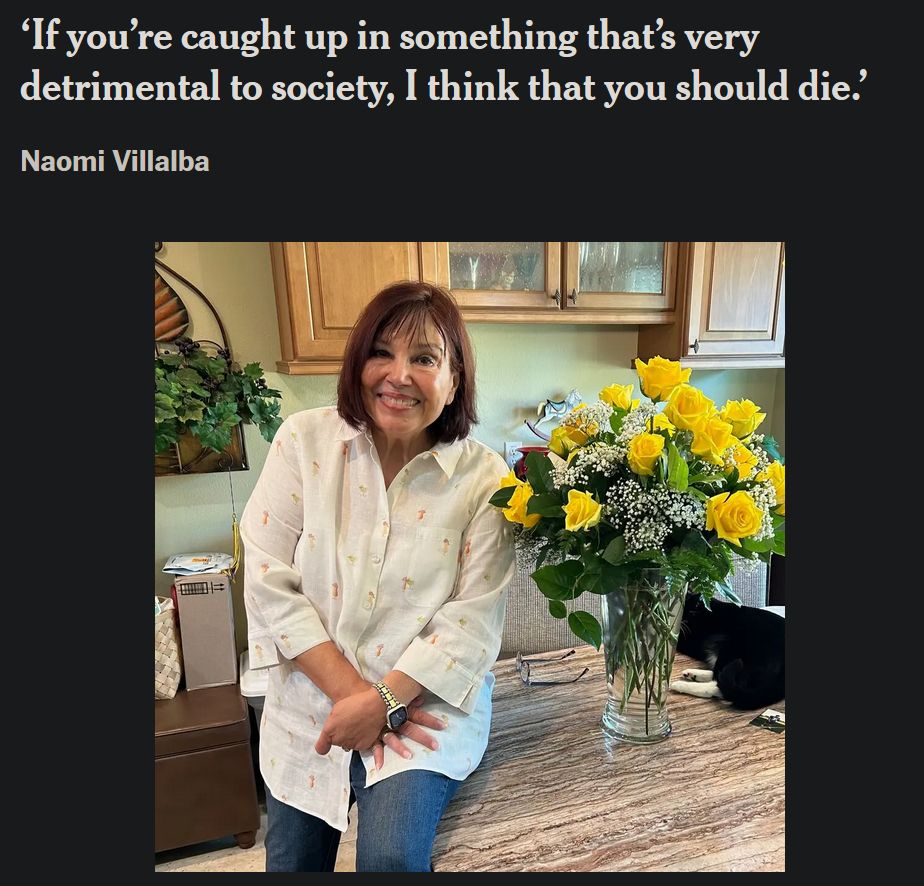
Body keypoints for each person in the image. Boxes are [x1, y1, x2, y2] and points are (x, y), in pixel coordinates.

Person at [241, 281, 515, 872]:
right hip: (313, 698)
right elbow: (267, 575)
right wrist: (357, 699)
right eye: (380, 353)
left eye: (424, 358)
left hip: (423, 707)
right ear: (357, 361)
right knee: (290, 864)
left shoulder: (484, 478)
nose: (398, 375)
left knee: (390, 858)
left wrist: (387, 698)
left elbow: (473, 617)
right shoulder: (302, 442)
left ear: (455, 378)